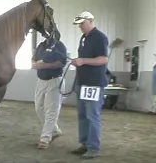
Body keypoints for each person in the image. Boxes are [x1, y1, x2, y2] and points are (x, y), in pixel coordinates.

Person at [70, 11, 109, 159]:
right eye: (79, 24)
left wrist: (83, 61)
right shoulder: (84, 38)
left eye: (82, 23)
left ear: (90, 21)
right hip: (83, 82)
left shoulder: (99, 37)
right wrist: (79, 61)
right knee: (82, 115)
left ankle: (93, 147)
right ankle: (85, 143)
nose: (80, 27)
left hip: (93, 83)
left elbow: (103, 59)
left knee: (92, 115)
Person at [31, 32, 67, 149]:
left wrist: (45, 65)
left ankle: (45, 138)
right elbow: (33, 59)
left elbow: (61, 62)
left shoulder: (59, 46)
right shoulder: (41, 46)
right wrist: (34, 64)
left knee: (51, 110)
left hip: (55, 80)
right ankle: (55, 130)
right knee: (38, 108)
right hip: (41, 80)